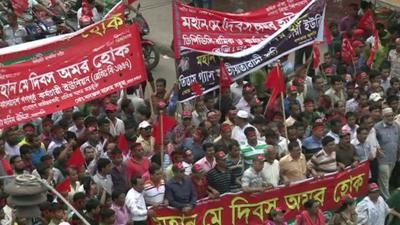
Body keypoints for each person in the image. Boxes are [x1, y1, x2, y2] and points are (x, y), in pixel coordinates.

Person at [374, 107, 400, 199]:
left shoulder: (396, 126)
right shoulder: (377, 127)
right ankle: (388, 200)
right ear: (383, 117)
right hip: (382, 159)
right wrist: (377, 150)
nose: (390, 118)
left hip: (393, 158)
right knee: (384, 179)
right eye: (388, 116)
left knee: (386, 178)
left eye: (392, 115)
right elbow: (373, 142)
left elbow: (398, 141)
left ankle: (382, 197)